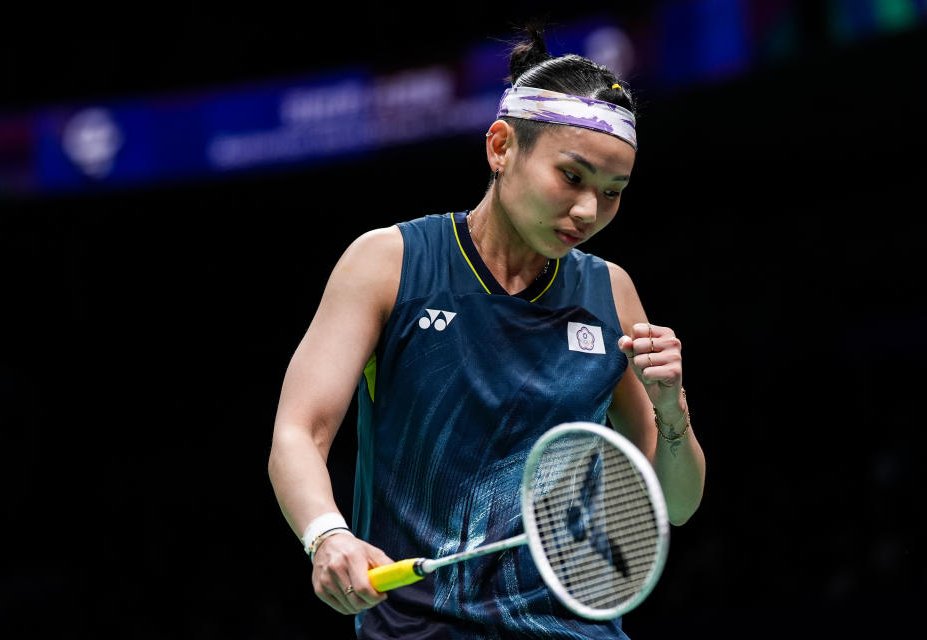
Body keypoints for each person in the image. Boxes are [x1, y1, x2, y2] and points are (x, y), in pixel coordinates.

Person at [268, 27, 706, 640]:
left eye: (612, 194)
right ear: (501, 147)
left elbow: (676, 505)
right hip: (421, 629)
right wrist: (326, 533)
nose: (588, 211)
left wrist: (671, 412)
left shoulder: (612, 293)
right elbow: (298, 432)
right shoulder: (390, 263)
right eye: (571, 177)